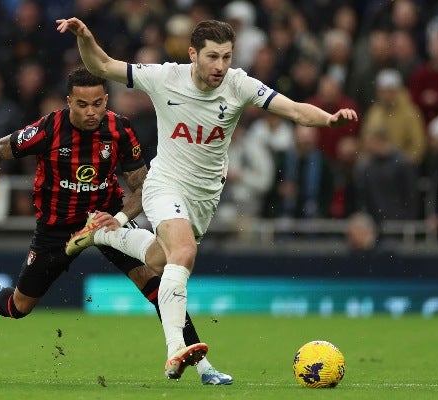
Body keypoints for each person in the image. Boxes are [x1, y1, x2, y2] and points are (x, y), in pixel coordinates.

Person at [56, 16, 357, 380]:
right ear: (192, 54)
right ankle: (175, 350)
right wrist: (86, 36)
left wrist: (329, 120)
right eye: (212, 57)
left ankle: (102, 232)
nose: (220, 66)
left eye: (227, 57)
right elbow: (101, 65)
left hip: (204, 199)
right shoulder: (164, 76)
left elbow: (293, 109)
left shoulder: (239, 84)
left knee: (158, 259)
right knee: (183, 253)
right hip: (165, 184)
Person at [0, 67, 232, 386]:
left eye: (97, 103)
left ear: (106, 100)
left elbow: (142, 188)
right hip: (57, 227)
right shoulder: (49, 129)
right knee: (20, 307)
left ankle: (203, 366)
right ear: (69, 102)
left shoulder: (120, 129)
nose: (91, 111)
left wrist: (120, 219)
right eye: (82, 104)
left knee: (157, 282)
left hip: (106, 218)